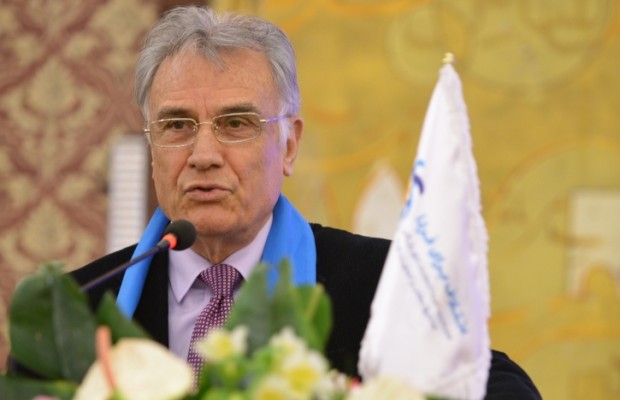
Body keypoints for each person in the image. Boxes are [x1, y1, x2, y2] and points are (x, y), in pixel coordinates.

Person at [11, 5, 541, 398]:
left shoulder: (387, 283)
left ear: (289, 145)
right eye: (176, 126)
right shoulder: (75, 308)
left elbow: (497, 386)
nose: (203, 155)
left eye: (235, 123)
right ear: (152, 147)